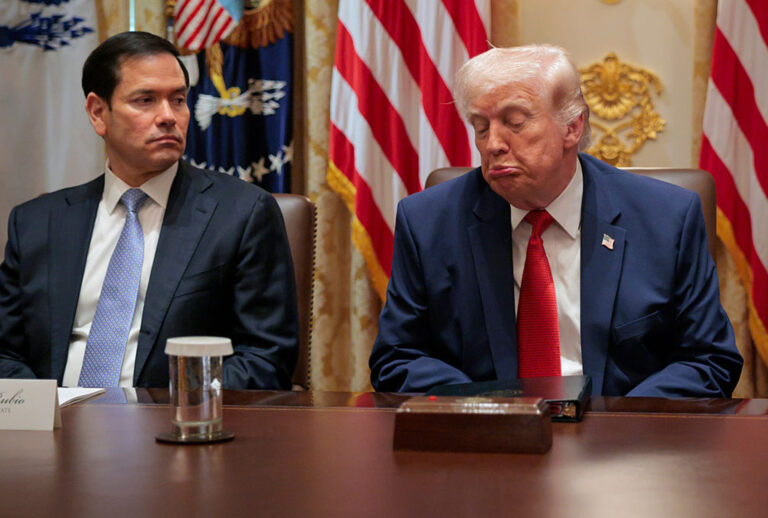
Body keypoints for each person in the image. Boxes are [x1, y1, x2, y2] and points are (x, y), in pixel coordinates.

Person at [369, 44, 743, 397]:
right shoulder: (428, 222)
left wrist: (618, 426)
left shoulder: (667, 218)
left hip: (624, 449)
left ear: (572, 127)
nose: (493, 144)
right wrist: (493, 409)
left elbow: (709, 360)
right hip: (487, 444)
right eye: (481, 127)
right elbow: (397, 358)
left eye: (514, 123)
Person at [0, 31, 298, 389]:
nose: (168, 116)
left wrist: (160, 414)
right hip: (54, 432)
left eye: (178, 100)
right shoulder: (37, 222)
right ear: (98, 113)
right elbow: (5, 354)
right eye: (145, 100)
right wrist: (46, 417)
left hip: (173, 433)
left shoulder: (242, 214)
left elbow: (265, 360)